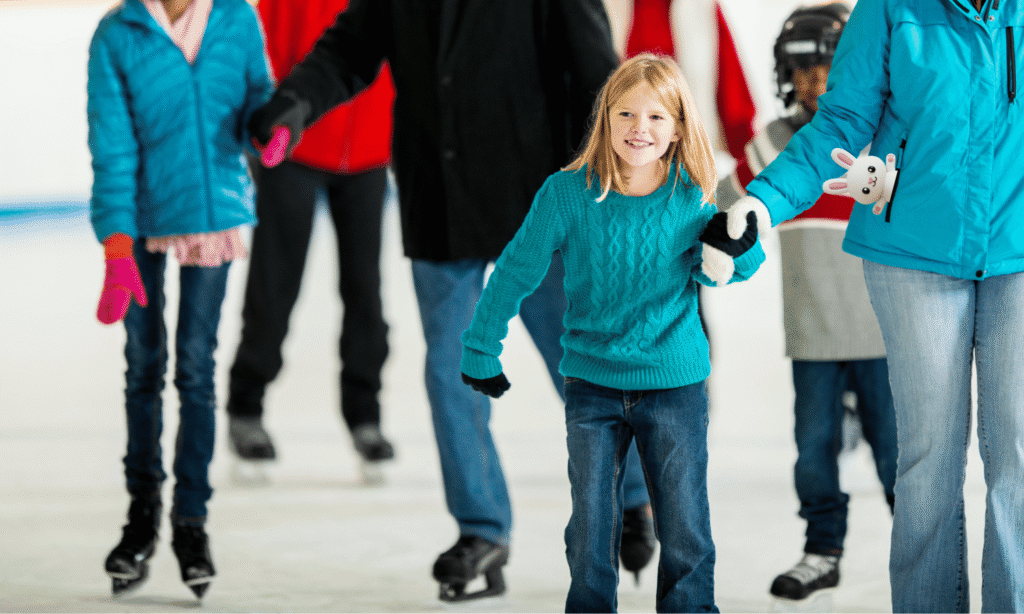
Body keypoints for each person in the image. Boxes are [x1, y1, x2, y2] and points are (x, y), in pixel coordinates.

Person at [244, 0, 660, 600]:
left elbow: (599, 78)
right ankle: (482, 528)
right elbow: (348, 51)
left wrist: (616, 189)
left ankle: (635, 494)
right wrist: (296, 102)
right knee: (451, 369)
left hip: (538, 206)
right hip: (439, 201)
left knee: (581, 363)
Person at [710, 0, 1024, 610]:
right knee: (929, 456)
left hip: (1018, 249)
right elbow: (838, 123)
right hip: (912, 252)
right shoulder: (889, 8)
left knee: (1016, 452)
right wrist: (762, 203)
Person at [461, 54, 765, 613]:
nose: (638, 128)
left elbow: (726, 265)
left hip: (674, 386)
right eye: (625, 113)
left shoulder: (694, 195)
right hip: (592, 386)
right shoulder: (566, 194)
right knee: (590, 525)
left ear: (678, 129)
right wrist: (481, 346)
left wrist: (740, 249)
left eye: (655, 117)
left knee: (685, 524)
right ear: (605, 118)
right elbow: (515, 271)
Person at [87, 0, 272, 599]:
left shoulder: (235, 18)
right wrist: (117, 245)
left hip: (213, 210)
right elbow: (112, 146)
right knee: (144, 365)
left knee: (195, 368)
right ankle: (141, 517)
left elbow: (257, 97)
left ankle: (191, 521)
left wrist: (271, 128)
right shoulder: (118, 35)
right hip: (142, 217)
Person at [716, 3, 897, 602]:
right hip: (812, 335)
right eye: (803, 70)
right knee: (813, 454)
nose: (815, 82)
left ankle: (920, 551)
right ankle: (823, 551)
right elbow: (720, 207)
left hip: (883, 335)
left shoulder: (883, 143)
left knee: (898, 454)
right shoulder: (773, 147)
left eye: (828, 67)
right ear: (784, 75)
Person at [225, 0, 396, 482]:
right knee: (275, 283)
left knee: (365, 291)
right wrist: (266, 118)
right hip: (295, 145)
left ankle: (364, 414)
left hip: (369, 148)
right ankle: (246, 405)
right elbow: (263, 41)